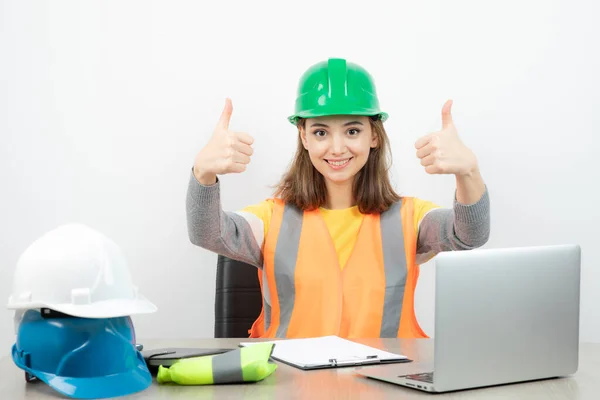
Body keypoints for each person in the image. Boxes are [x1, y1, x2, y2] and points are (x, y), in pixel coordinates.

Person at [186, 58, 490, 339]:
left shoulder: (410, 217)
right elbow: (208, 233)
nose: (336, 148)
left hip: (388, 385)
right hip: (290, 385)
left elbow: (468, 235)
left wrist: (468, 172)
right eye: (320, 133)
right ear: (304, 137)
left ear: (373, 136)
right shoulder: (270, 220)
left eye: (352, 130)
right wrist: (203, 173)